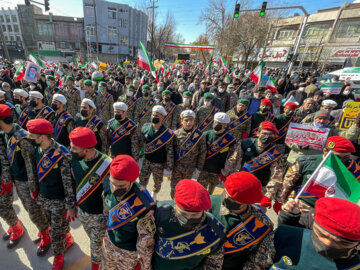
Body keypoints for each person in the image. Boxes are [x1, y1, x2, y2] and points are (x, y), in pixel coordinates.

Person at [0, 104, 51, 253]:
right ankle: (41, 230)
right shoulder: (4, 134)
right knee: (28, 210)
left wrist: (33, 189)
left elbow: (30, 166)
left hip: (25, 181)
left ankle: (46, 234)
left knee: (34, 211)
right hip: (15, 178)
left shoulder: (22, 138)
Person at [26, 119, 76, 270]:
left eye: (31, 135)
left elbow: (68, 184)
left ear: (42, 136)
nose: (28, 137)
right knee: (53, 226)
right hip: (43, 197)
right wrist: (34, 190)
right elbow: (35, 171)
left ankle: (58, 256)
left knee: (56, 232)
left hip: (59, 201)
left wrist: (70, 206)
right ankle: (68, 238)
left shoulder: (61, 154)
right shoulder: (37, 149)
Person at [152, 179, 226, 270]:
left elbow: (214, 261)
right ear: (175, 205)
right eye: (183, 213)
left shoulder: (214, 230)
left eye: (195, 215)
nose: (188, 219)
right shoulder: (159, 215)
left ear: (203, 211)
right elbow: (146, 246)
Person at [210, 172, 275, 270]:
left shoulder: (262, 224)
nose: (225, 198)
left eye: (232, 199)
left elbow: (255, 259)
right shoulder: (207, 203)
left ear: (247, 202)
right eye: (225, 193)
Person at [272, 197, 360, 269]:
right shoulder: (281, 236)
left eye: (342, 242)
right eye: (322, 235)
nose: (327, 243)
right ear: (313, 219)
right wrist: (289, 219)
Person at [102, 155, 156, 270]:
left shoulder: (144, 203)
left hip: (128, 254)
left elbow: (145, 242)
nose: (115, 189)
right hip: (108, 243)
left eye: (121, 186)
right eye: (113, 183)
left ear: (132, 181)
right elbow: (107, 212)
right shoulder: (107, 184)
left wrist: (143, 266)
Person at [281, 136, 360, 213]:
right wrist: (286, 202)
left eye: (346, 157)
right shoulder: (305, 162)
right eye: (337, 157)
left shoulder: (353, 168)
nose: (341, 161)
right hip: (302, 207)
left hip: (331, 211)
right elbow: (287, 184)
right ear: (325, 151)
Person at [69, 127, 112, 270]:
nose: (71, 150)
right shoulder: (74, 159)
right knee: (94, 242)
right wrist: (72, 207)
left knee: (96, 248)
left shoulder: (107, 165)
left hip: (99, 217)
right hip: (82, 212)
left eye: (74, 148)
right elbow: (72, 183)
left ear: (86, 150)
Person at [222, 121, 285, 214]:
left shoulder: (275, 154)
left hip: (260, 189)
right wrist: (225, 173)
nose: (267, 137)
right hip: (241, 185)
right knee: (230, 209)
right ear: (258, 133)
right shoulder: (246, 143)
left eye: (271, 135)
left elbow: (276, 178)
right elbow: (233, 159)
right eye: (264, 133)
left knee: (255, 215)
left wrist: (268, 196)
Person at [286, 110, 360, 164]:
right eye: (319, 118)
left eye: (325, 119)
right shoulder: (304, 126)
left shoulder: (331, 130)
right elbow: (288, 141)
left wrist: (356, 124)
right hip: (295, 159)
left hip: (315, 161)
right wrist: (299, 146)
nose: (321, 121)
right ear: (315, 118)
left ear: (328, 120)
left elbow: (347, 136)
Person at [0, 106, 25, 249]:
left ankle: (17, 228)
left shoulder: (15, 134)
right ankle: (14, 223)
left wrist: (7, 180)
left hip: (4, 178)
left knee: (4, 207)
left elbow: (4, 159)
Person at [139, 105, 174, 200]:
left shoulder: (167, 133)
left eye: (157, 115)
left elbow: (170, 151)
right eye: (153, 114)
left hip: (159, 163)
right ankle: (143, 195)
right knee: (142, 179)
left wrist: (169, 167)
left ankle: (154, 195)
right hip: (147, 160)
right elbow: (140, 144)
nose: (154, 117)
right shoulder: (145, 127)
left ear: (162, 117)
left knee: (157, 181)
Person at [198, 112, 236, 194]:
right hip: (204, 168)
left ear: (225, 125)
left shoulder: (230, 139)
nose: (216, 124)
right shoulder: (206, 135)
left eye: (220, 123)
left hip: (218, 170)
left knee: (211, 192)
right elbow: (200, 152)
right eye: (215, 122)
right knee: (200, 190)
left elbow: (231, 156)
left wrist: (226, 170)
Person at [172, 110, 207, 198]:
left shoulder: (200, 135)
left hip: (190, 167)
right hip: (177, 167)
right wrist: (169, 166)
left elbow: (202, 153)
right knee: (174, 188)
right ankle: (174, 202)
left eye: (191, 120)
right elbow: (171, 151)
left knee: (186, 189)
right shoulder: (176, 134)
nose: (189, 123)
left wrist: (198, 168)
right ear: (181, 121)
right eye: (186, 120)